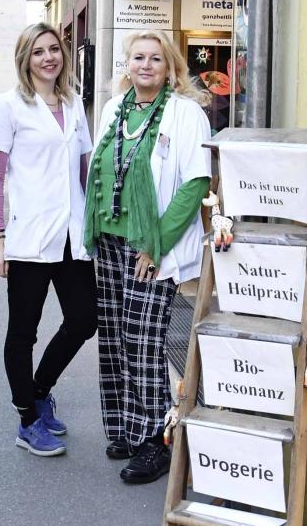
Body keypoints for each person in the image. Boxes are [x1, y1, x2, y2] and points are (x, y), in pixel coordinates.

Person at [84, 30, 212, 483]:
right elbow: (99, 170)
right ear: (127, 64)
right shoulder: (113, 110)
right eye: (138, 57)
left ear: (170, 66)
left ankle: (156, 438)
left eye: (155, 59)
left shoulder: (186, 114)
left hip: (152, 248)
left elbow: (196, 184)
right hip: (111, 244)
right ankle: (125, 427)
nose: (145, 65)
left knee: (143, 344)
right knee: (116, 341)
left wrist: (155, 244)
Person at [0, 23, 97, 457]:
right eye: (38, 52)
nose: (48, 57)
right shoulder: (8, 106)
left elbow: (84, 171)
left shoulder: (73, 103)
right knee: (23, 332)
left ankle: (39, 390)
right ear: (25, 59)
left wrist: (97, 224)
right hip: (29, 237)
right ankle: (27, 419)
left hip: (73, 236)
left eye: (54, 49)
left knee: (84, 320)